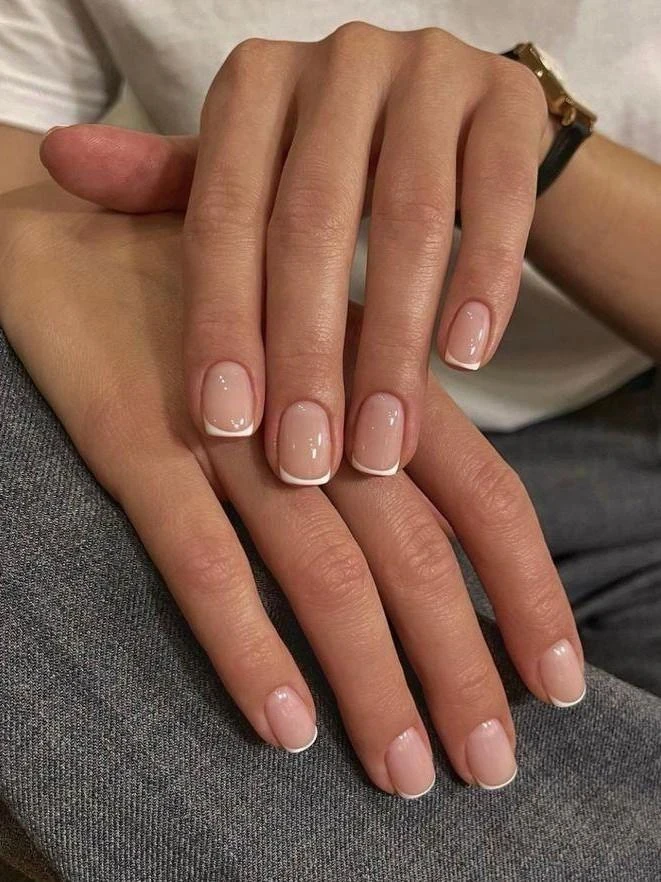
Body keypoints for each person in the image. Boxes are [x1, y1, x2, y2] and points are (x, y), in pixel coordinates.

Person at [0, 2, 660, 880]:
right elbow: (20, 123)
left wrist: (531, 147)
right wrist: (53, 234)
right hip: (253, 398)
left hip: (632, 441)